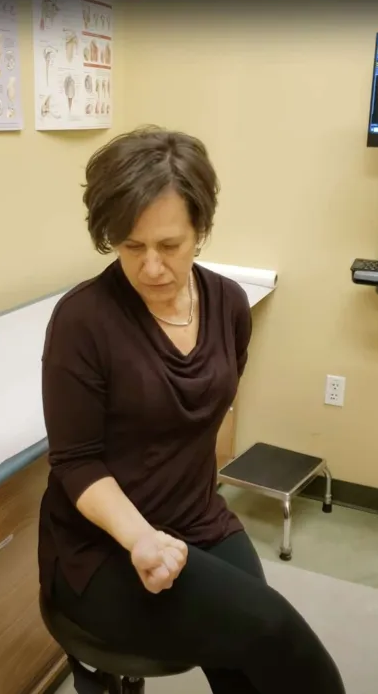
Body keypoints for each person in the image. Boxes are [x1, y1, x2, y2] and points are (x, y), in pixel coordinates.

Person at [38, 126, 346, 694]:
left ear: (201, 231)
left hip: (198, 517)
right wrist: (141, 539)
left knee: (250, 660)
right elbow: (76, 462)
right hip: (103, 546)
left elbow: (198, 417)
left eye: (169, 245)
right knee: (277, 633)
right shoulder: (82, 322)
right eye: (131, 247)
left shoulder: (229, 305)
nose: (151, 267)